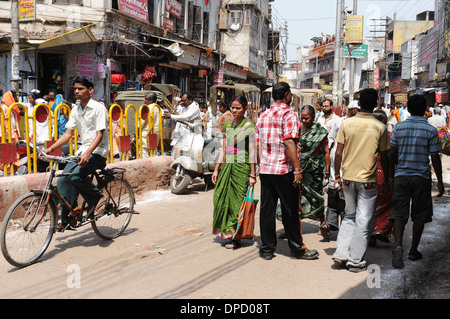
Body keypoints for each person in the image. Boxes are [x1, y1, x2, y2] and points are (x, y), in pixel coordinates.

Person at [256, 81, 319, 261]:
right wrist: (297, 169)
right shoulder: (289, 114)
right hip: (284, 169)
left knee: (267, 210)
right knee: (290, 210)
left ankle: (267, 248)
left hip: (267, 169)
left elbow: (258, 143)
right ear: (287, 95)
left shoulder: (263, 115)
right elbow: (289, 142)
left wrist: (261, 166)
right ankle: (297, 249)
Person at [333, 88, 391, 272]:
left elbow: (338, 152)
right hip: (368, 180)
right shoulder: (380, 127)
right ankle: (355, 259)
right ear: (376, 105)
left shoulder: (347, 123)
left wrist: (336, 176)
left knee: (349, 215)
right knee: (364, 220)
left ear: (358, 104)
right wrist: (388, 180)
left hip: (347, 178)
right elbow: (385, 156)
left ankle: (342, 253)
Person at [41, 76, 109, 231]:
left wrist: (87, 154)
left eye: (81, 88)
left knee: (76, 176)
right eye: (75, 89)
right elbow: (68, 133)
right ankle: (68, 217)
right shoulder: (76, 109)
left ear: (90, 91)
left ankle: (100, 199)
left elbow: (99, 135)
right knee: (62, 180)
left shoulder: (98, 108)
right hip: (83, 150)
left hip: (98, 151)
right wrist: (50, 149)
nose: (76, 91)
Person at [389, 94, 444, 269]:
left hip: (402, 176)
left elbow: (392, 154)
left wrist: (391, 175)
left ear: (409, 109)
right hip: (421, 177)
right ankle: (413, 251)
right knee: (420, 213)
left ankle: (398, 246)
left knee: (399, 212)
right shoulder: (430, 130)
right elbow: (435, 157)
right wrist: (440, 182)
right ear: (425, 111)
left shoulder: (399, 127)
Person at [212, 95, 257, 249]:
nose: (235, 110)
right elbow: (224, 148)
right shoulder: (228, 125)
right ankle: (228, 231)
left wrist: (253, 174)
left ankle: (236, 237)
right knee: (222, 200)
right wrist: (217, 168)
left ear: (245, 109)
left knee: (237, 202)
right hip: (228, 165)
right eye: (233, 107)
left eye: (238, 108)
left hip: (242, 166)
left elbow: (252, 151)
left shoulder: (249, 126)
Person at [321, 100, 360, 241]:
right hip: (340, 161)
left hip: (341, 163)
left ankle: (332, 224)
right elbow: (331, 139)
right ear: (352, 110)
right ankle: (340, 227)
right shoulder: (342, 122)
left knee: (339, 197)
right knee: (340, 198)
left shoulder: (344, 121)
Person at [298, 105, 330, 229]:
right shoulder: (296, 129)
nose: (304, 121)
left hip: (315, 169)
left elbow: (326, 151)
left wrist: (327, 168)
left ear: (313, 117)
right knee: (297, 197)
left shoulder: (320, 131)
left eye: (307, 118)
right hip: (299, 169)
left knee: (317, 196)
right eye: (302, 118)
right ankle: (294, 226)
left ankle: (322, 222)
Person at [370, 109, 394, 246]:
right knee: (387, 204)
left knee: (369, 206)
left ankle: (371, 236)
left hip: (368, 173)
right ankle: (381, 230)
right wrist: (390, 177)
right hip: (384, 174)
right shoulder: (389, 135)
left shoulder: (367, 135)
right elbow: (390, 157)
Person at [142, 92, 160, 158]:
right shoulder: (158, 108)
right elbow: (162, 122)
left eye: (146, 99)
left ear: (151, 100)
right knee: (153, 151)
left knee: (144, 152)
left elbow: (142, 122)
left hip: (146, 133)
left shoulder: (146, 108)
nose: (144, 100)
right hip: (155, 134)